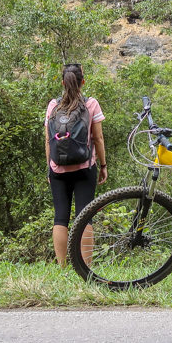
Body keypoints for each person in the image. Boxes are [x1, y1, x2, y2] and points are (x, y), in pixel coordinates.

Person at [45, 63, 107, 266]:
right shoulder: (91, 104)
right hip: (84, 168)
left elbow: (48, 140)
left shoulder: (53, 105)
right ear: (83, 82)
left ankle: (62, 267)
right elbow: (97, 138)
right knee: (85, 216)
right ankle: (85, 267)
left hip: (58, 169)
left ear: (63, 83)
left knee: (60, 217)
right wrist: (103, 165)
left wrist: (50, 167)